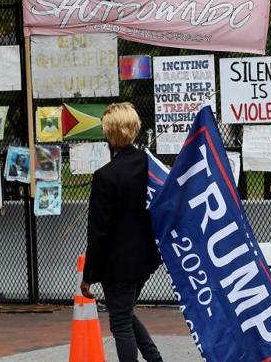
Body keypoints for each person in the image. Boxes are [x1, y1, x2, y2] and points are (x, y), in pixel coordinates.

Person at [81, 102, 163, 362]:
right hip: (145, 260)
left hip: (116, 266)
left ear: (109, 133)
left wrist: (88, 275)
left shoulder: (106, 176)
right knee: (124, 312)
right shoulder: (150, 165)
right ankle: (154, 358)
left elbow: (98, 232)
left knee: (120, 324)